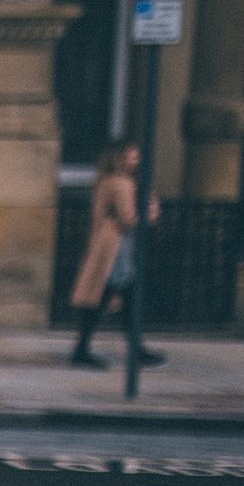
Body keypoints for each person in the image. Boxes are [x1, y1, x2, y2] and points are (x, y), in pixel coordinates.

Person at [68, 140, 165, 370]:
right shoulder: (120, 183)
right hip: (115, 248)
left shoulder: (108, 180)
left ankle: (129, 349)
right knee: (106, 297)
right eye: (132, 155)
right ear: (119, 157)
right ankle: (84, 350)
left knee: (120, 297)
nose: (136, 159)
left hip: (112, 245)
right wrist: (151, 212)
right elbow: (129, 219)